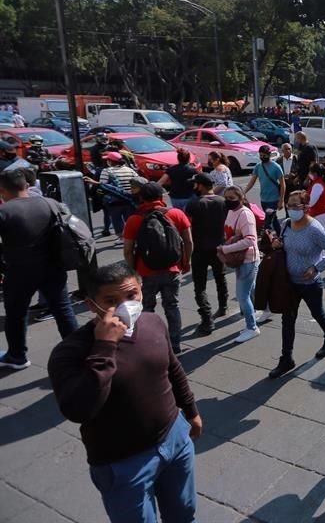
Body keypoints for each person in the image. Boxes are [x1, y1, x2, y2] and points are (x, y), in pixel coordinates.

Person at [47, 262, 202, 523]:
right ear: (91, 304)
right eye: (110, 300)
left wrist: (191, 411)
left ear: (141, 290)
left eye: (131, 295)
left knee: (184, 513)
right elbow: (79, 409)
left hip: (174, 439)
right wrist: (105, 346)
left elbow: (173, 368)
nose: (123, 305)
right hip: (122, 463)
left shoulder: (152, 322)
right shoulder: (69, 353)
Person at [0, 169, 79, 370]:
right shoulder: (49, 203)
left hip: (20, 270)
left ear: (2, 190)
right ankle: (78, 353)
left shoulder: (5, 212)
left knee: (16, 313)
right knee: (63, 310)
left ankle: (17, 356)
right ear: (26, 185)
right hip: (53, 265)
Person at [266, 189, 325, 378]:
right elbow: (283, 243)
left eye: (295, 205)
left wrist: (316, 268)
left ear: (306, 208)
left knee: (318, 314)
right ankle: (286, 359)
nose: (291, 209)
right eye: (289, 205)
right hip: (289, 283)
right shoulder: (286, 224)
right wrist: (276, 242)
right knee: (287, 321)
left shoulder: (314, 229)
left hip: (310, 284)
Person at [122, 182, 193, 354]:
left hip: (145, 271)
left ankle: (148, 344)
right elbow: (188, 242)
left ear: (141, 198)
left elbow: (128, 250)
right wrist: (186, 261)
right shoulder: (176, 214)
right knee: (172, 306)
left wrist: (132, 271)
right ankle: (175, 344)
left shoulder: (134, 220)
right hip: (172, 269)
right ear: (162, 197)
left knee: (146, 308)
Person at [185, 173, 228, 334]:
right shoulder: (223, 201)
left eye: (195, 184)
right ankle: (223, 306)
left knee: (200, 285)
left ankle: (206, 317)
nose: (194, 187)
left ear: (201, 185)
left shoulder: (194, 204)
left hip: (200, 249)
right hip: (218, 248)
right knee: (220, 277)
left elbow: (187, 228)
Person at [220, 186, 262, 344]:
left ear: (241, 198)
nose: (228, 201)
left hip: (248, 259)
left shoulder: (245, 214)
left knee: (242, 295)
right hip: (241, 259)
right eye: (226, 197)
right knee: (250, 289)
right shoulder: (232, 212)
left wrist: (226, 248)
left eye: (232, 198)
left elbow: (250, 239)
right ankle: (266, 308)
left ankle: (252, 327)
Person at [86, 151, 139, 239]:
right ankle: (132, 237)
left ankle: (122, 237)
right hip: (129, 199)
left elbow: (103, 185)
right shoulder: (130, 170)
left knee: (117, 219)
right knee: (129, 220)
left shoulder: (107, 171)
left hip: (114, 200)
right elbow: (138, 182)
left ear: (110, 161)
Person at [244, 145, 285, 213]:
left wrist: (281, 200)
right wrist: (244, 192)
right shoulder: (258, 166)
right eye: (261, 155)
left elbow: (283, 185)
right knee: (273, 220)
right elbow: (252, 182)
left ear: (269, 155)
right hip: (263, 198)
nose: (262, 157)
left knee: (268, 220)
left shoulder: (276, 167)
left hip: (274, 199)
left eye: (264, 155)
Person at [305, 162, 325, 227]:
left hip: (321, 213)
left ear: (315, 173)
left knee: (316, 234)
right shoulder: (319, 181)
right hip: (322, 212)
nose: (309, 174)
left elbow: (311, 202)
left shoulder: (318, 185)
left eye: (310, 172)